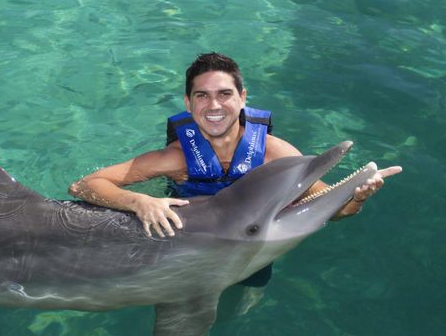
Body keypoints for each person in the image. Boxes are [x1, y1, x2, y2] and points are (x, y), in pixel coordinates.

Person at [68, 52, 402, 287]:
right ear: (188, 103)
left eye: (225, 94)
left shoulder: (275, 154)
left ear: (242, 98)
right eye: (202, 96)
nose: (214, 106)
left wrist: (356, 198)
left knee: (253, 284)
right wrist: (140, 202)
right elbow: (84, 185)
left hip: (247, 241)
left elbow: (330, 208)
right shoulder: (176, 159)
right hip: (183, 238)